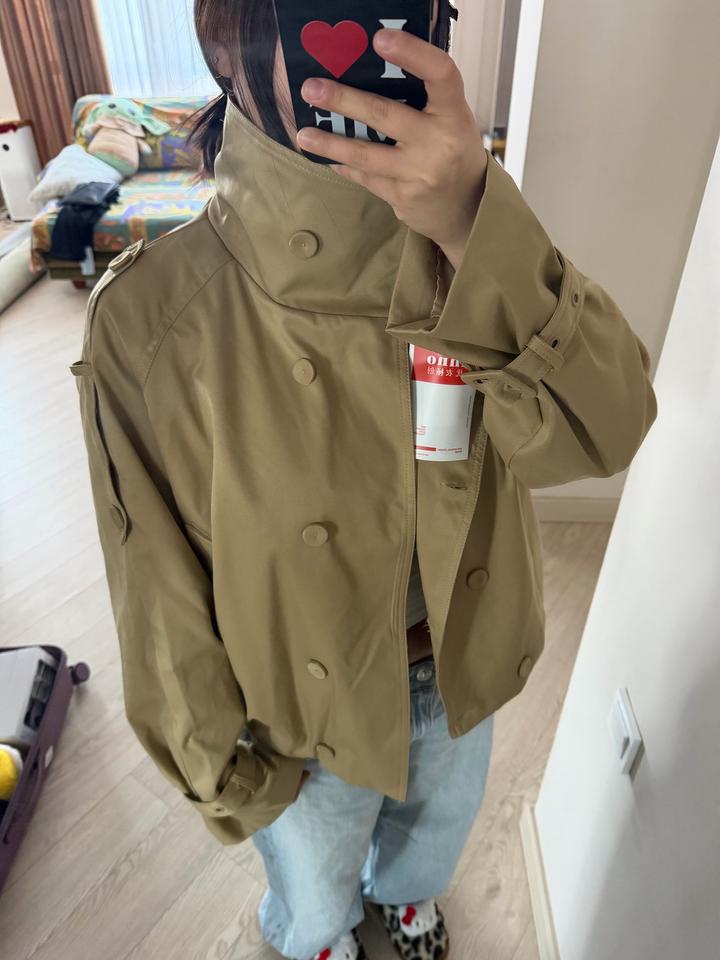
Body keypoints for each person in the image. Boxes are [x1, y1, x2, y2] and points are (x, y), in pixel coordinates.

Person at [69, 1, 657, 959]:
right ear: (227, 42)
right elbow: (156, 590)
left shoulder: (476, 245)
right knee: (314, 875)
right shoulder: (151, 316)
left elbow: (608, 429)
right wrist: (221, 766)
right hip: (299, 710)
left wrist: (474, 220)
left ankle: (408, 900)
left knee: (435, 833)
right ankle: (318, 936)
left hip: (454, 662)